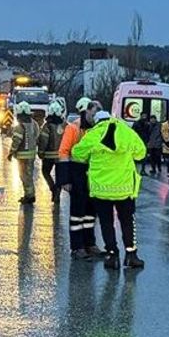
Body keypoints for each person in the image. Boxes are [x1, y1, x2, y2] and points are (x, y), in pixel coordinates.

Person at [72, 110, 147, 269]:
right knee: (127, 222)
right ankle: (131, 255)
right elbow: (141, 153)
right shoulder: (126, 131)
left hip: (101, 189)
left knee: (107, 223)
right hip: (124, 188)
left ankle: (112, 255)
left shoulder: (93, 134)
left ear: (97, 121)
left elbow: (77, 153)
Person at [59, 97, 104, 260]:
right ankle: (77, 247)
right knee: (78, 212)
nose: (96, 116)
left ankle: (90, 243)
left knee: (91, 212)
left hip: (94, 174)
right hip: (76, 173)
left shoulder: (99, 128)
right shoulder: (73, 128)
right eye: (94, 113)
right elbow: (64, 152)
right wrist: (65, 180)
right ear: (86, 111)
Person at [8, 101, 39, 204]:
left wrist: (11, 153)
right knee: (29, 175)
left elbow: (16, 141)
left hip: (22, 156)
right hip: (32, 155)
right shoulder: (34, 124)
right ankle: (30, 194)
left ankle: (29, 196)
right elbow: (36, 136)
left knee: (24, 176)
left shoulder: (19, 127)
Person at [37, 100, 66, 203]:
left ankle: (53, 189)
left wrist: (40, 152)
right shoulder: (65, 125)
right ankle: (57, 191)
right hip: (62, 157)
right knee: (59, 176)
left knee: (45, 172)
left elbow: (44, 140)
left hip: (48, 156)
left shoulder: (47, 126)